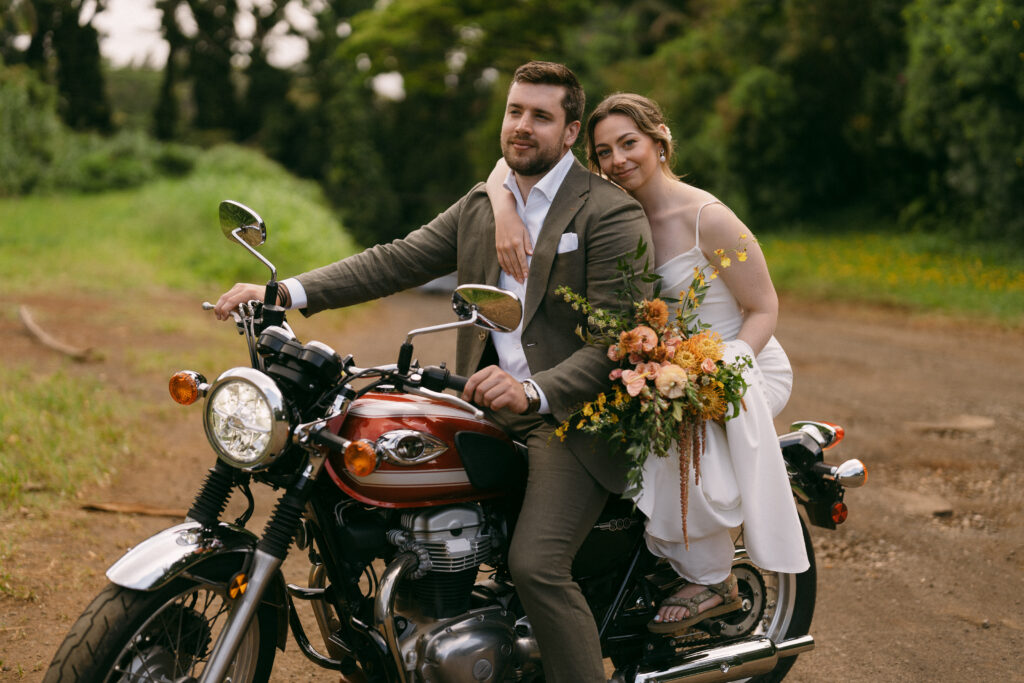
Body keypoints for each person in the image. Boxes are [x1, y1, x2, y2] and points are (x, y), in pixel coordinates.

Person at [215, 63, 652, 682]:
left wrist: (533, 390)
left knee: (537, 566)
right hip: (480, 404)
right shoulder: (484, 203)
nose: (522, 127)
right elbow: (397, 260)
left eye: (541, 116)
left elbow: (617, 342)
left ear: (571, 130)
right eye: (514, 111)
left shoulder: (608, 212)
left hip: (570, 419)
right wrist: (286, 291)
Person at [486, 92, 808, 634]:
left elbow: (764, 306)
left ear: (659, 141)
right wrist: (501, 209)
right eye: (604, 152)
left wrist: (722, 368)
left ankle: (715, 579)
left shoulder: (709, 217)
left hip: (741, 360)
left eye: (628, 144)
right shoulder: (615, 215)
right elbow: (504, 167)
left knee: (671, 436)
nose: (617, 161)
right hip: (662, 365)